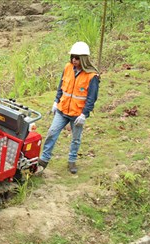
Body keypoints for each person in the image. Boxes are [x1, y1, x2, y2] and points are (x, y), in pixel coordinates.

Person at [38, 41, 100, 174]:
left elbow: (91, 98)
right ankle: (44, 159)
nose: (74, 60)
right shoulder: (67, 68)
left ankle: (72, 161)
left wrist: (84, 114)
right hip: (62, 109)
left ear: (83, 59)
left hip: (77, 114)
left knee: (76, 139)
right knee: (52, 133)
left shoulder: (92, 76)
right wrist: (56, 101)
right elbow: (61, 86)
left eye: (77, 58)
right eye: (73, 57)